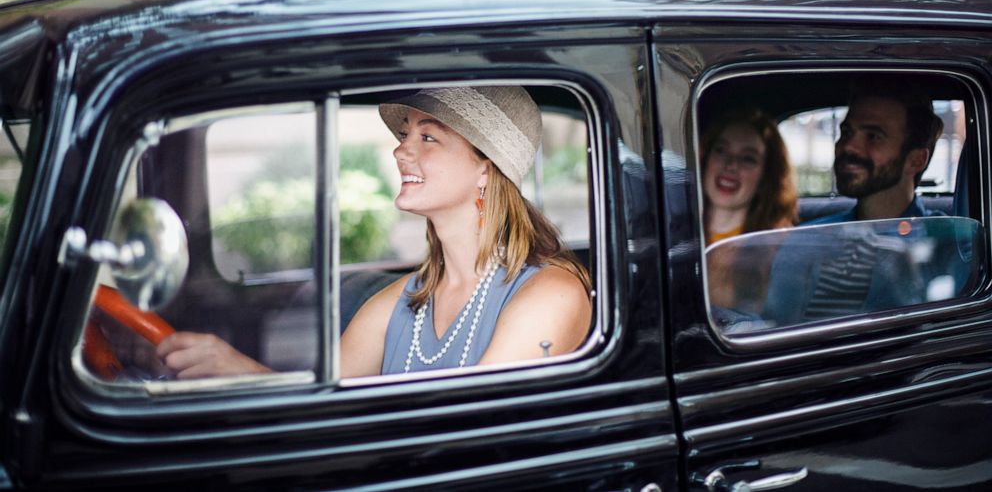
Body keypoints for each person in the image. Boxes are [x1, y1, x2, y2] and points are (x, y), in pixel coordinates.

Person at [155, 86, 592, 379]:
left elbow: (475, 433)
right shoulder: (401, 300)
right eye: (406, 135)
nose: (401, 150)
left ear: (485, 169)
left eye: (429, 138)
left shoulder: (552, 293)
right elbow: (326, 409)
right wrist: (231, 370)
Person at [762, 79, 945, 327]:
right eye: (847, 132)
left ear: (915, 160)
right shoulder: (807, 240)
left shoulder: (948, 243)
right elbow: (778, 330)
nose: (848, 146)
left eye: (873, 136)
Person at [699, 107, 797, 315]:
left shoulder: (779, 249)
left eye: (748, 158)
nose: (731, 165)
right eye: (721, 150)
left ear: (765, 178)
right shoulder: (671, 231)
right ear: (705, 158)